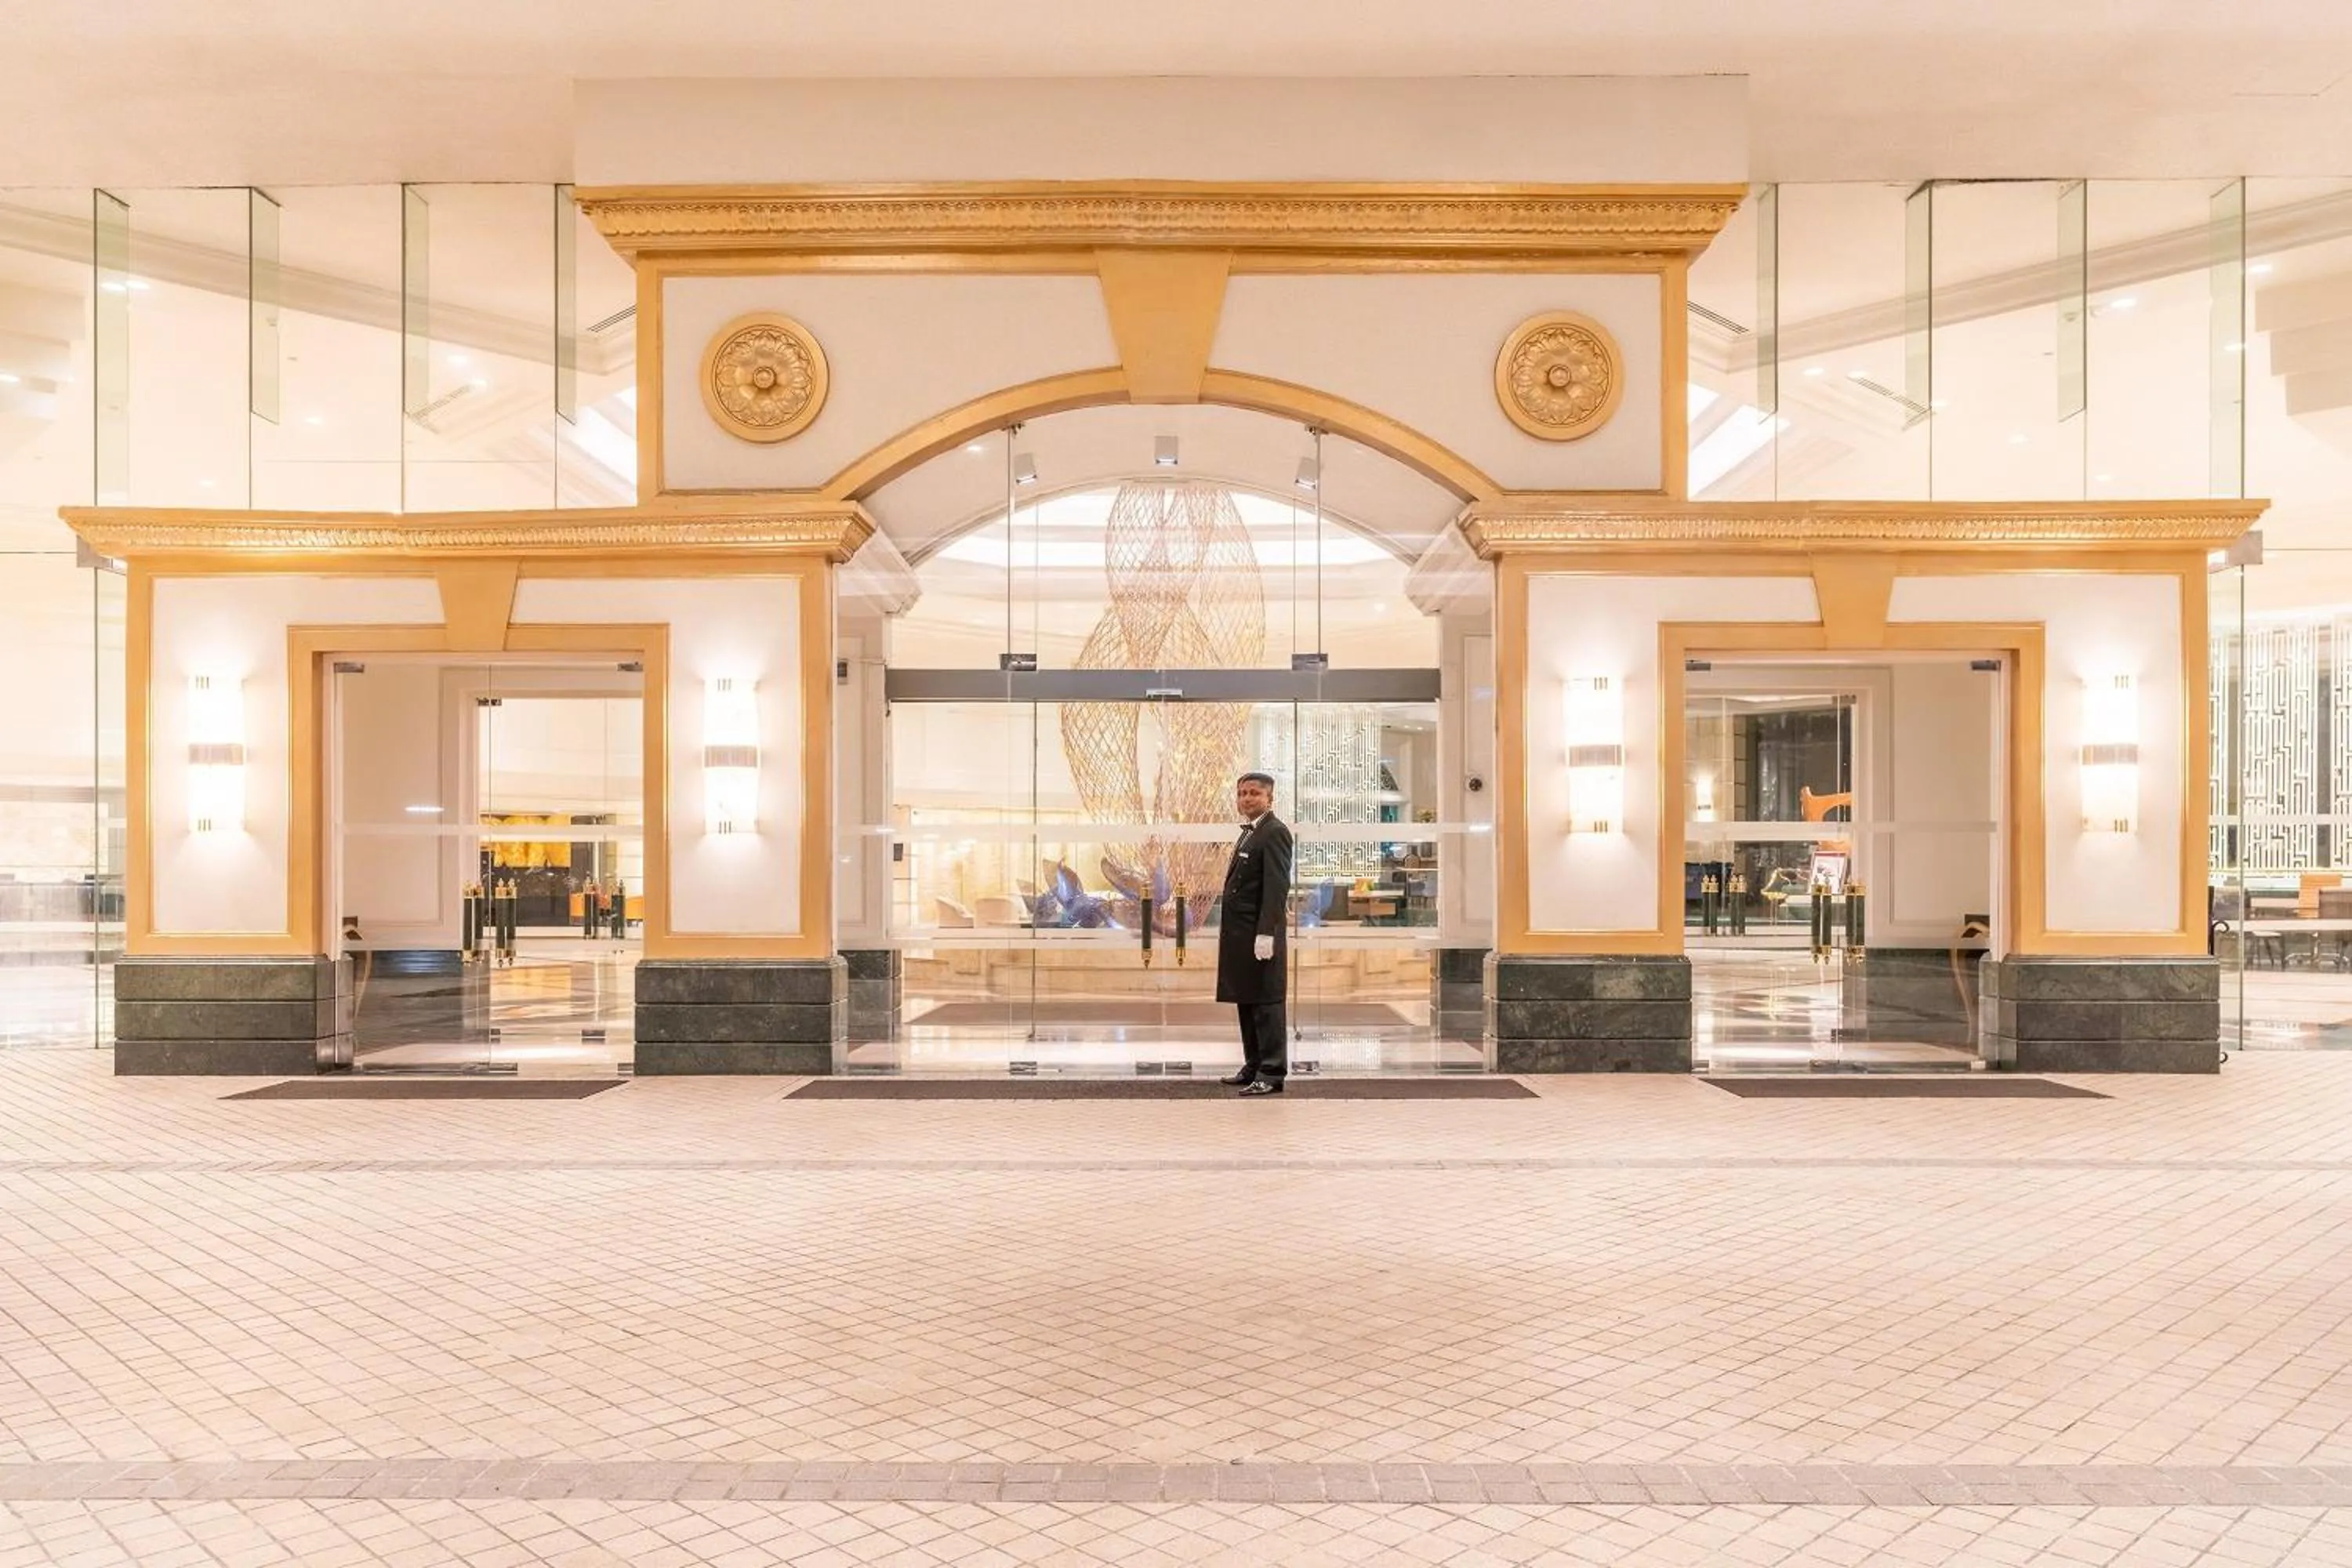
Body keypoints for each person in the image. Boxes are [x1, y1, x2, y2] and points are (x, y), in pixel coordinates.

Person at [1218, 771, 1293, 1096]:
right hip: (1241, 935)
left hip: (1259, 935)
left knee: (1266, 1003)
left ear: (1269, 798)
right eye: (1242, 793)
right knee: (1247, 1000)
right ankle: (1253, 1065)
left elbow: (1277, 888)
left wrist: (1267, 933)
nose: (1247, 799)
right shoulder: (1250, 833)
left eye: (1254, 794)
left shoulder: (1274, 832)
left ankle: (1272, 1072)